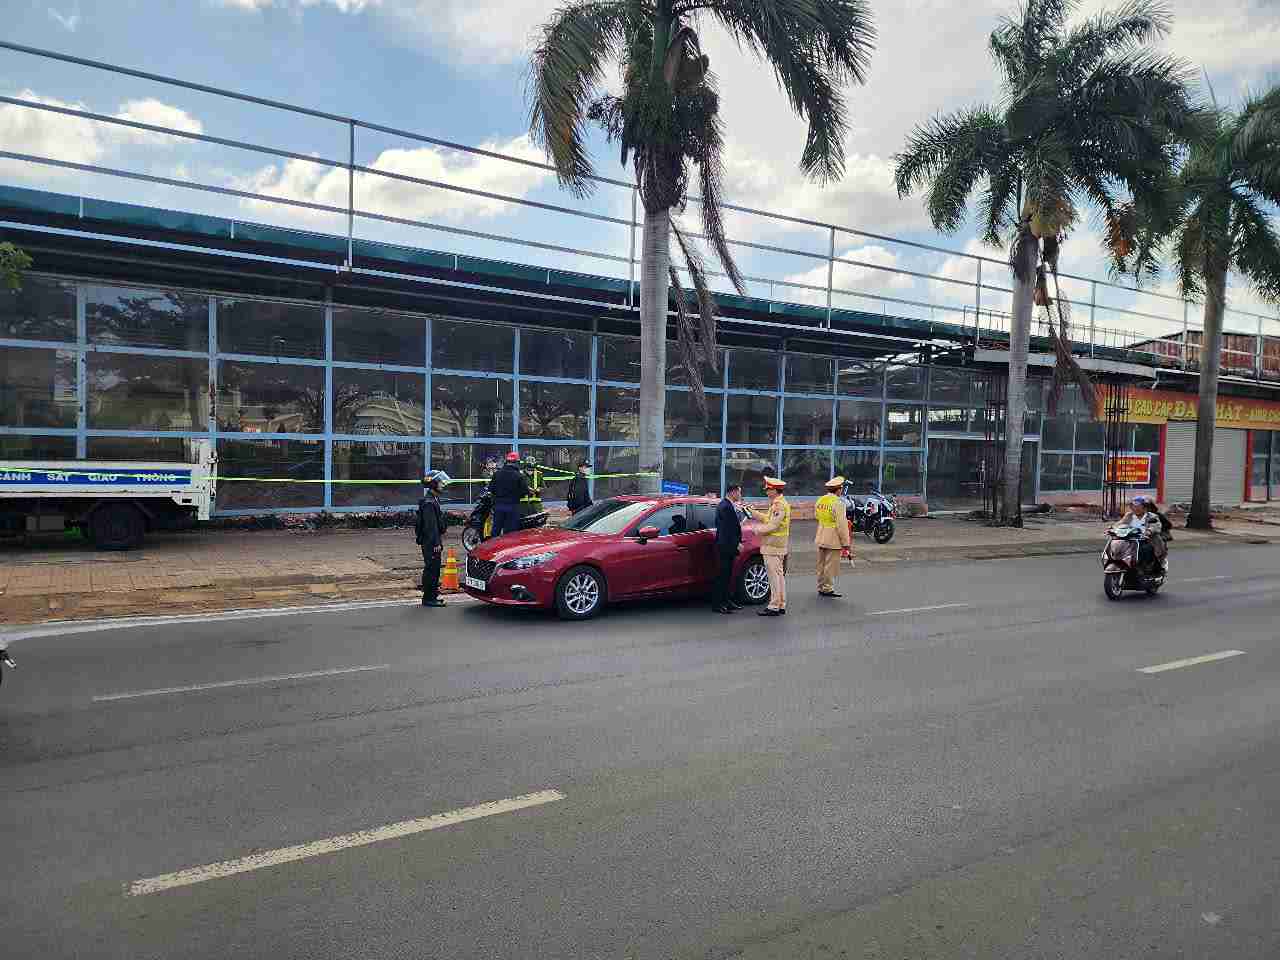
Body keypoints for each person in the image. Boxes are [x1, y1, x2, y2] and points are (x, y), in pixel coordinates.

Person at [749, 476, 791, 616]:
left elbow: (772, 525)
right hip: (777, 546)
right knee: (779, 576)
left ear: (775, 490)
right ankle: (781, 604)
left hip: (773, 546)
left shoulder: (779, 505)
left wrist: (756, 529)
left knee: (774, 577)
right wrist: (754, 513)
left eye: (768, 489)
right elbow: (769, 519)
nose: (766, 491)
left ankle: (774, 606)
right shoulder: (777, 503)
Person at [416, 470, 450, 608]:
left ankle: (432, 595)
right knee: (431, 569)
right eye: (440, 482)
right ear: (434, 484)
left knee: (434, 568)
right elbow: (431, 526)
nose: (443, 485)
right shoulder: (429, 502)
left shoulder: (433, 499)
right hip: (431, 542)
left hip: (432, 540)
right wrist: (436, 542)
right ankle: (429, 598)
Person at [814, 475, 852, 597]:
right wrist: (846, 543)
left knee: (821, 564)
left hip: (821, 535)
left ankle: (820, 586)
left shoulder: (820, 500)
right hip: (833, 539)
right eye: (840, 488)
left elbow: (817, 516)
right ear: (838, 489)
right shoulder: (838, 503)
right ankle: (827, 588)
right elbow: (842, 525)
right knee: (830, 566)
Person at [712, 483, 744, 614]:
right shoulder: (725, 506)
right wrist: (736, 543)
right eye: (739, 492)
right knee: (723, 576)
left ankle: (727, 601)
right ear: (733, 492)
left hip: (727, 546)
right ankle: (718, 604)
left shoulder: (727, 505)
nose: (740, 495)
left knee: (728, 575)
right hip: (725, 546)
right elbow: (727, 530)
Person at [488, 451, 529, 538]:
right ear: (517, 462)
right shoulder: (519, 476)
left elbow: (491, 489)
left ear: (506, 462)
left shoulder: (497, 474)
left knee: (496, 530)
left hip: (499, 506)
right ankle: (506, 550)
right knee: (510, 533)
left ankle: (493, 550)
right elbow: (525, 491)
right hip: (513, 506)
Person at [1119, 495, 1162, 568]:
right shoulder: (1129, 515)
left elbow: (1156, 526)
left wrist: (1149, 531)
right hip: (1130, 540)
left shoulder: (1152, 516)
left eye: (1139, 506)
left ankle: (1146, 567)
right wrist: (1112, 528)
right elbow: (1120, 523)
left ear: (1145, 508)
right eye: (1134, 507)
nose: (1136, 509)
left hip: (1146, 540)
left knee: (1146, 549)